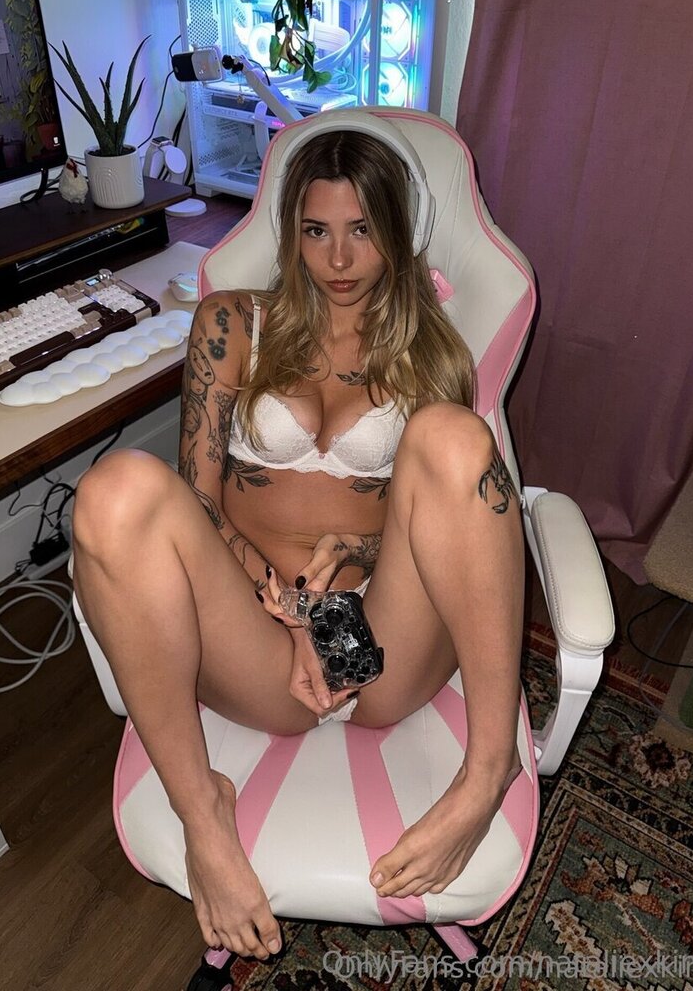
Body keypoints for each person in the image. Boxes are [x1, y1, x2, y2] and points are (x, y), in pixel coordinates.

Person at [72, 126, 525, 964]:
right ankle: (202, 811)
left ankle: (488, 769)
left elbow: (442, 523)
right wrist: (284, 611)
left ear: (396, 232)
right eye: (317, 231)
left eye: (362, 230)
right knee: (114, 489)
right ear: (291, 233)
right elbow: (196, 501)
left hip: (376, 638)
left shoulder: (435, 353)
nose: (338, 258)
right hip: (250, 634)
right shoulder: (232, 325)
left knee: (457, 440)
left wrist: (356, 552)